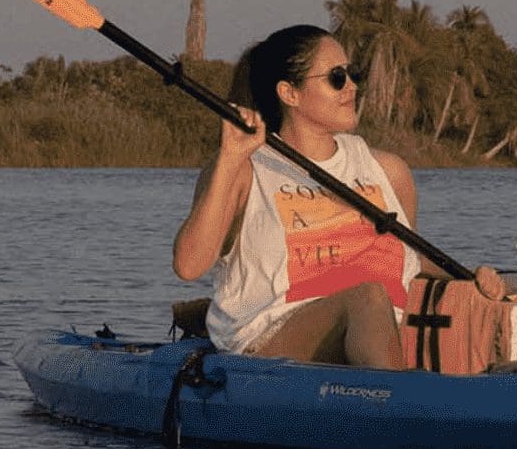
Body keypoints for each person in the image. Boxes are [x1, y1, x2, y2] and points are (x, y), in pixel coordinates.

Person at [174, 24, 467, 367]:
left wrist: (479, 280)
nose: (352, 87)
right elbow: (188, 265)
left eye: (353, 74)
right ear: (290, 93)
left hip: (378, 331)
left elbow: (411, 261)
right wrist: (229, 157)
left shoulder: (388, 170)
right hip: (268, 337)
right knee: (368, 295)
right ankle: (402, 406)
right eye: (337, 77)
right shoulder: (245, 168)